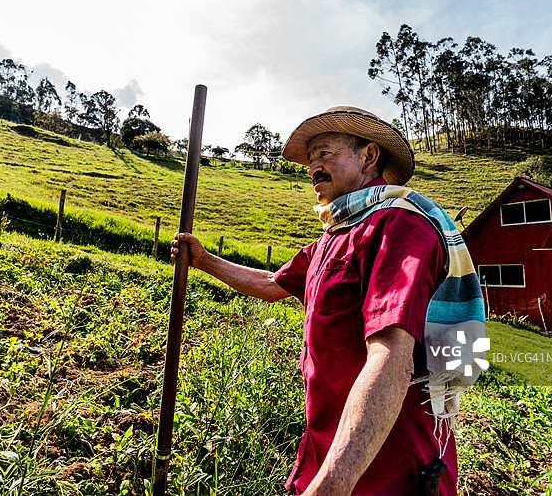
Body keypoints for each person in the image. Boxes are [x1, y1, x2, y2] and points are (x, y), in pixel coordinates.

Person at [171, 106, 484, 495]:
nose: (312, 167)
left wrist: (334, 483)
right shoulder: (332, 239)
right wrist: (203, 260)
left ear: (369, 156)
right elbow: (271, 284)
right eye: (310, 159)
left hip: (388, 463)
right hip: (330, 445)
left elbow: (392, 358)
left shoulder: (397, 225)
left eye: (325, 153)